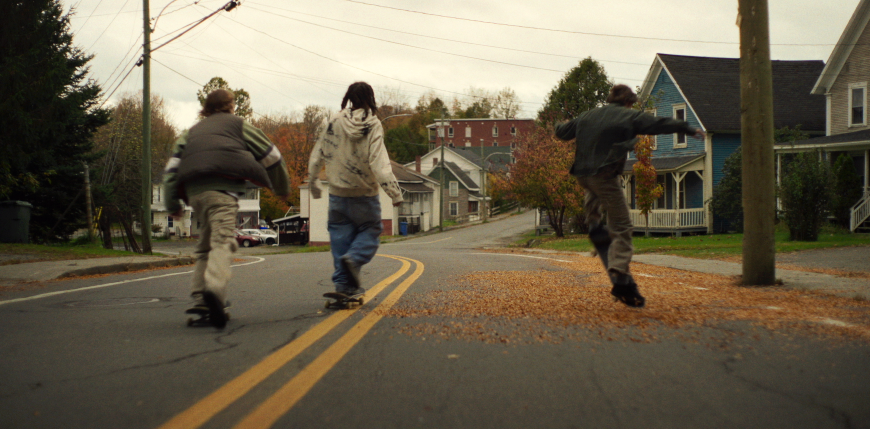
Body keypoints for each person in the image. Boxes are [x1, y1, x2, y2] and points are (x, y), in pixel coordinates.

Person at [555, 84, 705, 308]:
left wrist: (558, 124)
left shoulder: (587, 115)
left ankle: (594, 223)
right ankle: (618, 271)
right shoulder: (628, 116)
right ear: (628, 102)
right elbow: (658, 124)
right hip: (604, 176)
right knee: (622, 225)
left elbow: (562, 132)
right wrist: (687, 128)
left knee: (594, 199)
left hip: (583, 175)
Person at [163, 89, 290, 327]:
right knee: (223, 242)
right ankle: (213, 291)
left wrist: (172, 203)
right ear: (231, 106)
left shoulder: (191, 132)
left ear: (205, 109)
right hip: (222, 193)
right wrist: (282, 188)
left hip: (196, 196)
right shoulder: (237, 125)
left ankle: (200, 297)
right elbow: (272, 156)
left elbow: (171, 170)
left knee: (205, 246)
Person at [307, 81, 403, 297]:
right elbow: (379, 164)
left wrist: (313, 182)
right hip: (364, 195)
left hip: (338, 195)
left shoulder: (334, 121)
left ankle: (343, 285)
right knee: (370, 230)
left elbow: (317, 153)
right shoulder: (372, 124)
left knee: (340, 239)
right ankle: (354, 258)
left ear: (349, 98)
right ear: (371, 99)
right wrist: (395, 194)